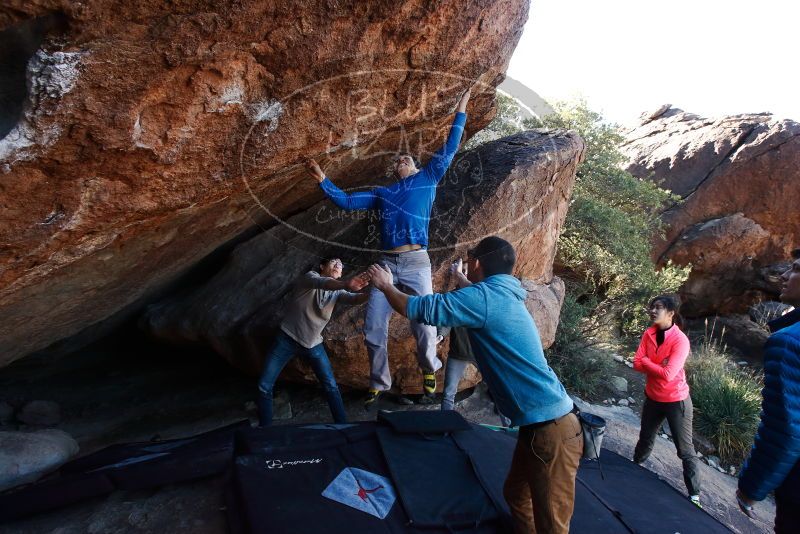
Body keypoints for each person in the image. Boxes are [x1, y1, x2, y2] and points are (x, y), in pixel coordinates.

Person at [366, 236, 582, 534]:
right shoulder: (505, 292)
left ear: (477, 263)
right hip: (543, 426)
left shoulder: (484, 299)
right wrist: (460, 279)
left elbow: (420, 308)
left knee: (553, 525)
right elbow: (479, 298)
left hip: (552, 430)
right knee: (517, 497)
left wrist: (386, 285)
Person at [305, 88, 471, 408]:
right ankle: (379, 381)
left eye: (408, 157)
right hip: (386, 264)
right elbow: (347, 201)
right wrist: (322, 177)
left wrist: (462, 106)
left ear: (416, 165)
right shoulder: (383, 193)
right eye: (398, 159)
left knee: (423, 323)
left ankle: (428, 368)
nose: (403, 158)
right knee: (372, 327)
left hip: (416, 260)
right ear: (394, 170)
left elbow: (451, 145)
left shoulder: (428, 177)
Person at [257, 257, 369, 427]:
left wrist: (377, 290)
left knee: (331, 386)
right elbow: (323, 283)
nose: (338, 264)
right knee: (264, 385)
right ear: (322, 266)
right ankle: (265, 431)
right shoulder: (310, 278)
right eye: (334, 262)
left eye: (341, 264)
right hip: (286, 338)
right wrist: (346, 284)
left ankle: (343, 427)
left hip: (313, 344)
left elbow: (355, 299)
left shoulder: (337, 292)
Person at [737, 248, 800, 532]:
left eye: (796, 269)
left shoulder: (788, 342)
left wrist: (751, 488)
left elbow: (785, 429)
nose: (785, 275)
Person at [632, 295, 702, 507]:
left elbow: (669, 374)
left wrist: (648, 362)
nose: (653, 311)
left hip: (675, 401)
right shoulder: (649, 333)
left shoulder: (680, 341)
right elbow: (636, 363)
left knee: (684, 449)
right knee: (645, 437)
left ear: (671, 313)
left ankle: (695, 495)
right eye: (652, 307)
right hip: (653, 397)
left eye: (658, 308)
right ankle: (633, 469)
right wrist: (655, 364)